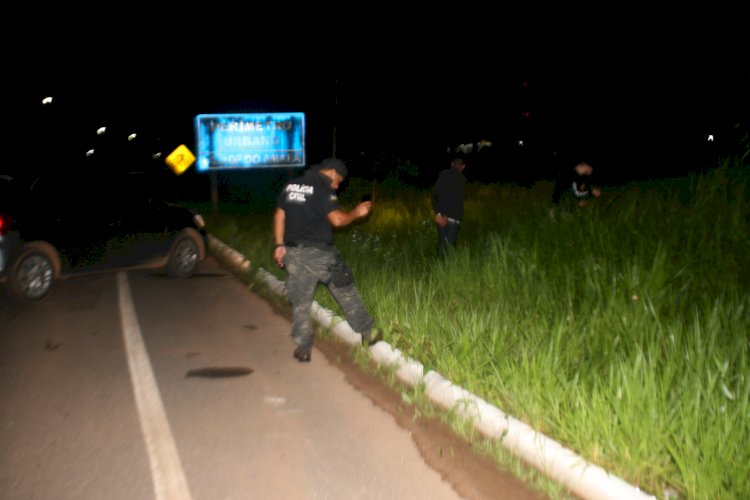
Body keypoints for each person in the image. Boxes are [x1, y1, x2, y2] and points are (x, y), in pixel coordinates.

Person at [273, 157, 381, 362]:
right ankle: (369, 333)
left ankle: (303, 348)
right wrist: (356, 212)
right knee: (345, 291)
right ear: (331, 172)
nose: (338, 185)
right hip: (320, 254)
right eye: (338, 179)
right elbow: (338, 220)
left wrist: (279, 246)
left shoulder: (291, 185)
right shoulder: (322, 187)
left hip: (293, 253)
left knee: (301, 301)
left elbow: (279, 217)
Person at [431, 157, 467, 257]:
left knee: (442, 244)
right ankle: (446, 269)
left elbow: (435, 195)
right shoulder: (461, 179)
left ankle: (438, 268)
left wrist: (439, 213)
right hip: (453, 217)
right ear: (463, 167)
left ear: (452, 164)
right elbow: (454, 198)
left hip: (440, 215)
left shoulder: (442, 175)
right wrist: (446, 214)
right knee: (449, 247)